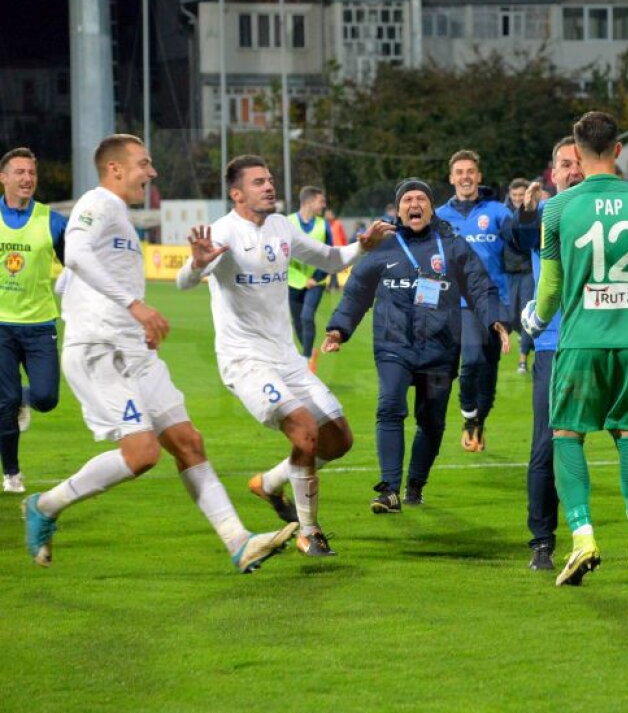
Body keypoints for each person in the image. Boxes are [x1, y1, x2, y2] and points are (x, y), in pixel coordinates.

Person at [23, 134, 297, 573]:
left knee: (188, 442)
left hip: (132, 349)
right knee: (142, 454)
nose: (152, 173)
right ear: (115, 169)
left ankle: (238, 541)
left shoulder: (121, 221)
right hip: (98, 352)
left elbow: (68, 280)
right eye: (143, 164)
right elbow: (73, 253)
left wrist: (124, 316)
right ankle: (46, 505)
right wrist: (132, 307)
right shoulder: (98, 202)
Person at [177, 155, 393, 557]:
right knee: (305, 430)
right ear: (237, 193)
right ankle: (308, 531)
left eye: (271, 179)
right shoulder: (223, 232)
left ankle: (270, 482)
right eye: (259, 182)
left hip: (286, 358)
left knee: (339, 438)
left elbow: (329, 259)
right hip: (245, 361)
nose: (270, 186)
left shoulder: (281, 227)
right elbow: (184, 281)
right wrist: (196, 264)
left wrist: (361, 246)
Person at [522, 111, 628, 586]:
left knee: (567, 435)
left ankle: (583, 537)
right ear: (618, 150)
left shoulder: (557, 210)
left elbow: (549, 292)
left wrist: (533, 320)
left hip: (580, 344)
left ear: (577, 148)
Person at [322, 179, 507, 512]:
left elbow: (481, 287)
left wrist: (496, 320)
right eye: (407, 199)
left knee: (431, 420)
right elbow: (357, 291)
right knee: (389, 406)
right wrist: (338, 329)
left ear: (431, 207)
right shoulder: (384, 247)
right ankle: (389, 489)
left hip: (440, 348)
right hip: (394, 345)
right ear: (399, 209)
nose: (414, 203)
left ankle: (416, 484)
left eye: (421, 198)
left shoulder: (452, 245)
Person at [507, 137, 584, 571]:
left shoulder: (603, 211)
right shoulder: (543, 216)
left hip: (605, 339)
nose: (571, 170)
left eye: (577, 163)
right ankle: (543, 541)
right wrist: (526, 211)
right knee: (547, 443)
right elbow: (516, 240)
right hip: (555, 344)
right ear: (551, 173)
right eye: (563, 164)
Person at [436, 151, 513, 452]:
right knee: (471, 361)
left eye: (471, 171)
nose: (465, 176)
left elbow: (520, 245)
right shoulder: (439, 216)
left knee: (489, 368)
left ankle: (479, 420)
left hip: (496, 301)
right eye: (459, 172)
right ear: (451, 178)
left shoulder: (497, 212)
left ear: (479, 177)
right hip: (461, 303)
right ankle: (469, 414)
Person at [0, 148, 66, 493]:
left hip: (41, 325)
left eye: (32, 173)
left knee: (46, 399)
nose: (27, 179)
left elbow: (77, 265)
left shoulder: (52, 221)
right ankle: (11, 472)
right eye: (20, 172)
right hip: (1, 327)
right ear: (4, 178)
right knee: (4, 403)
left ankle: (27, 395)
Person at [286, 185, 333, 363]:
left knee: (307, 316)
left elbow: (330, 255)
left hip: (317, 282)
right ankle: (308, 350)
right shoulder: (287, 223)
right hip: (293, 281)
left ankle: (305, 359)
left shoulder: (324, 225)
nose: (324, 205)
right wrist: (302, 279)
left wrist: (316, 278)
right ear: (309, 201)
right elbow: (280, 256)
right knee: (297, 321)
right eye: (321, 201)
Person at [502, 178, 536, 374]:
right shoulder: (503, 214)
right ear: (509, 194)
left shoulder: (534, 212)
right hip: (509, 271)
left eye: (520, 195)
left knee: (526, 314)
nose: (517, 199)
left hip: (528, 271)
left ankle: (522, 359)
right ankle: (527, 341)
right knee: (513, 316)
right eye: (514, 195)